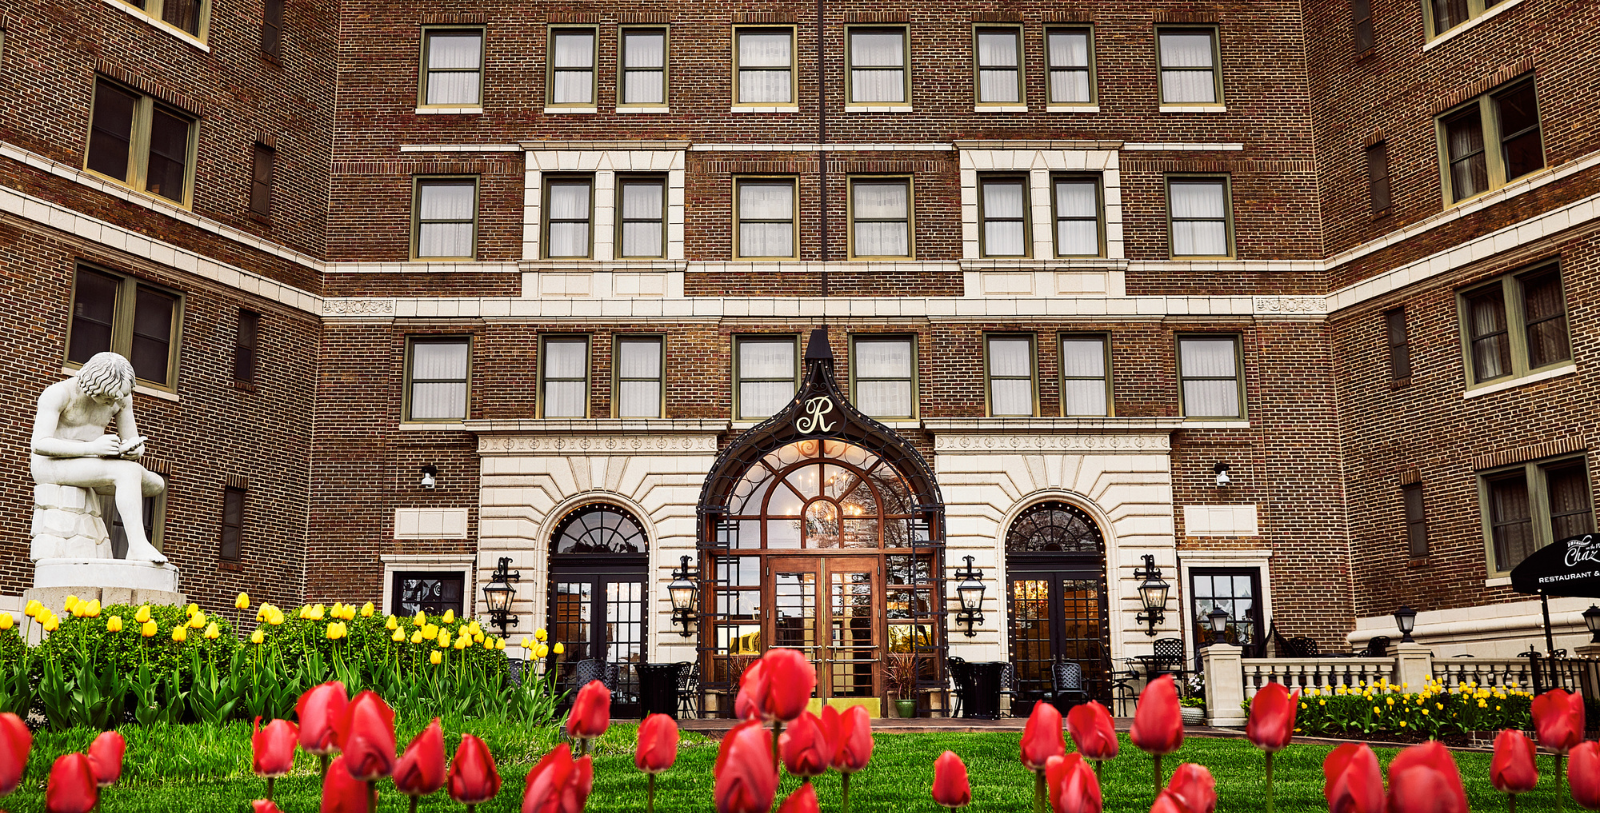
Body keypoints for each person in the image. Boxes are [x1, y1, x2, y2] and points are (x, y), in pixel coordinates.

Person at [30, 352, 166, 564]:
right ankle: (138, 545)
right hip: (51, 465)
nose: (111, 403)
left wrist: (132, 451)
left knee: (155, 484)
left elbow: (134, 441)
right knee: (127, 472)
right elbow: (39, 444)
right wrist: (92, 448)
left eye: (115, 398)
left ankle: (136, 549)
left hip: (90, 463)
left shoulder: (120, 398)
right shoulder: (58, 394)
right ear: (92, 383)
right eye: (107, 397)